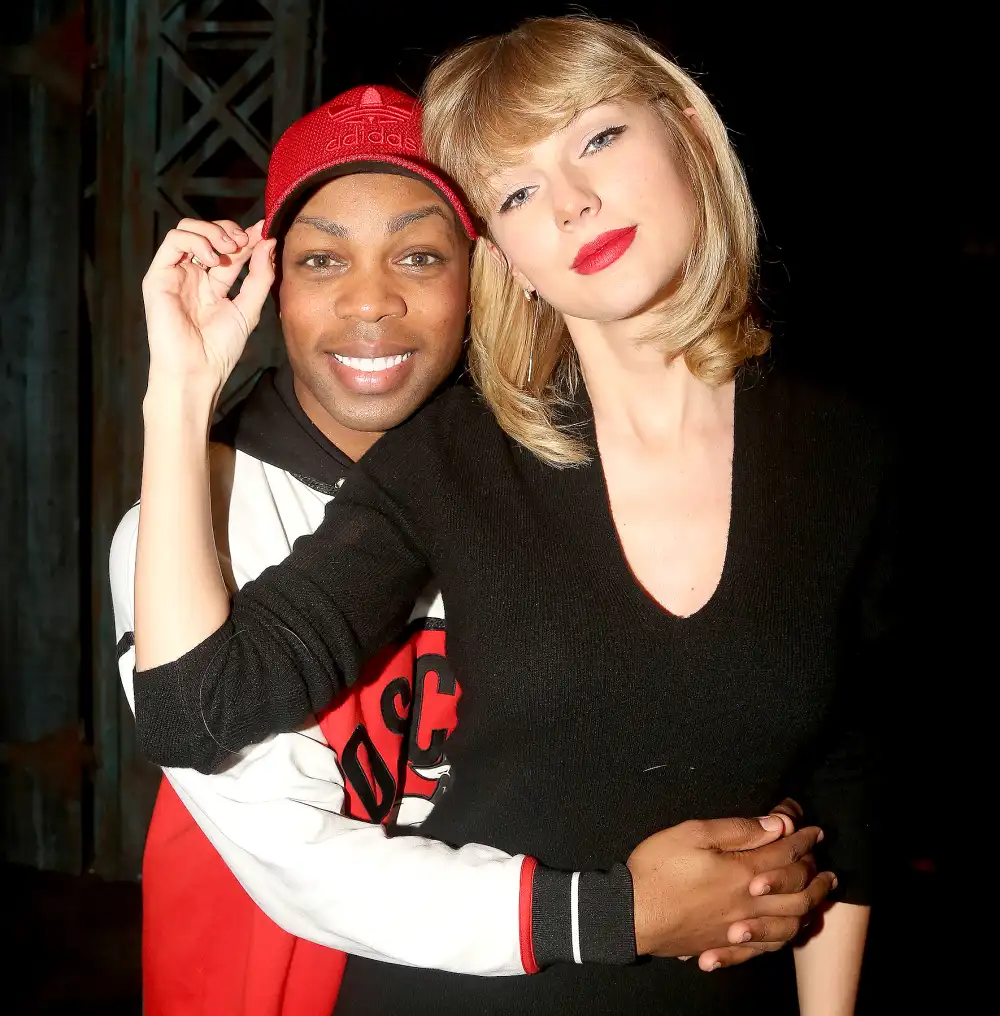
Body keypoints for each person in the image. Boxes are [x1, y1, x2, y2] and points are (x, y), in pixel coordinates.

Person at [126, 13, 883, 1011]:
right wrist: (177, 390)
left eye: (597, 138)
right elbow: (192, 715)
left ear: (688, 135)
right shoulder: (441, 466)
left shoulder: (846, 448)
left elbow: (853, 770)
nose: (571, 203)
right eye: (519, 190)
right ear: (512, 255)